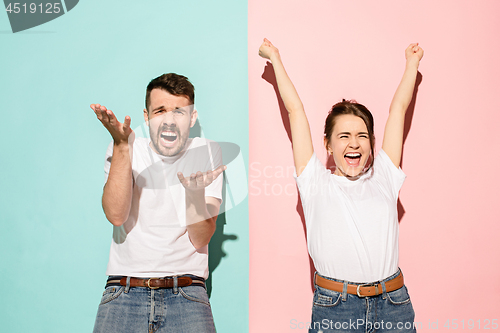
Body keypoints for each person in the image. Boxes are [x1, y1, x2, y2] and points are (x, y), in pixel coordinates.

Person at [259, 39, 423, 332]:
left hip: (393, 304)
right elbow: (295, 111)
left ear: (372, 144)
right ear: (328, 145)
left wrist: (411, 65)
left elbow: (398, 110)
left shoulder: (385, 176)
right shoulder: (314, 182)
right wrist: (275, 59)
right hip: (337, 307)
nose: (354, 142)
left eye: (362, 135)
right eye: (344, 135)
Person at [90, 73, 225, 333]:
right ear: (147, 116)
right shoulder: (125, 146)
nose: (169, 120)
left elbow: (200, 238)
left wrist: (194, 193)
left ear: (192, 118)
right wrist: (121, 146)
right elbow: (116, 215)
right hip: (124, 291)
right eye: (160, 111)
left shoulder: (206, 151)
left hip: (186, 294)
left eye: (179, 112)